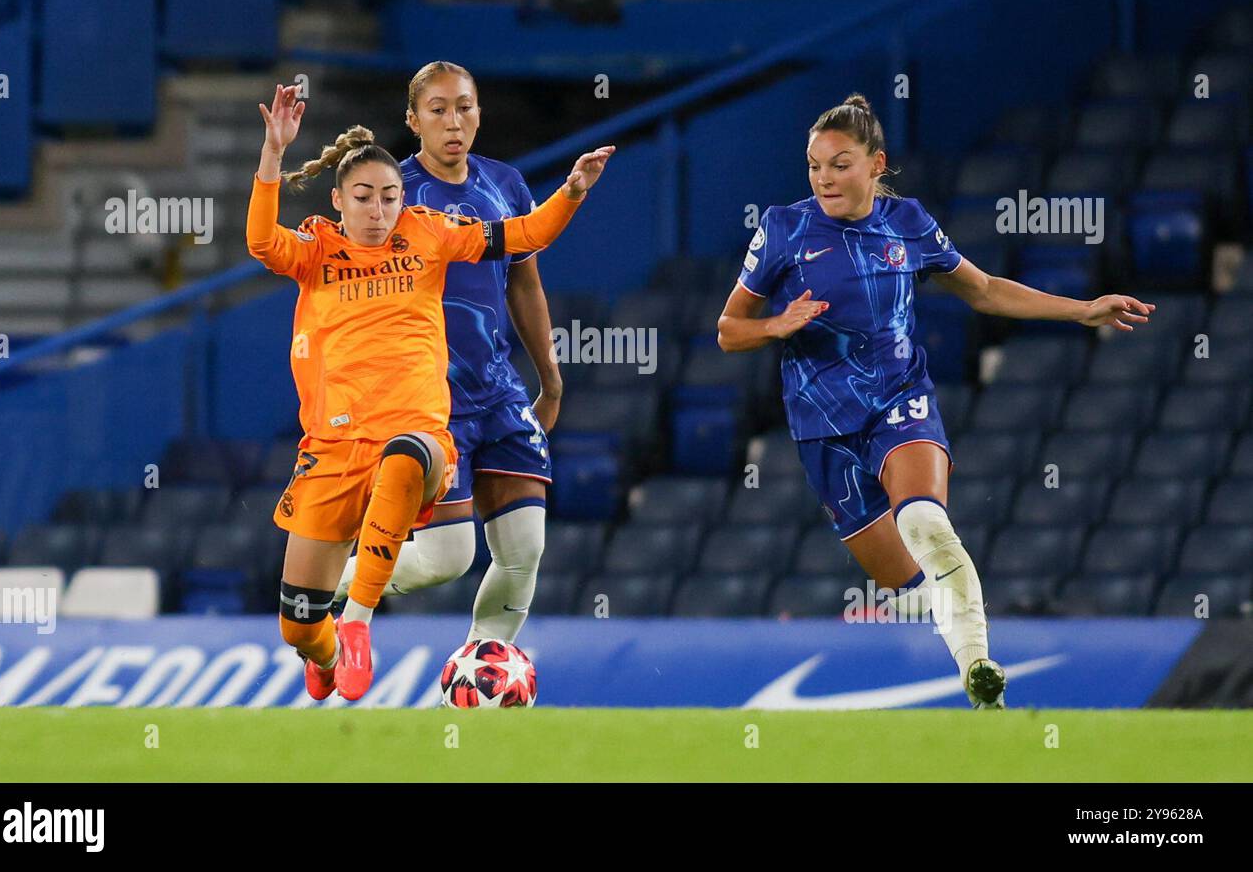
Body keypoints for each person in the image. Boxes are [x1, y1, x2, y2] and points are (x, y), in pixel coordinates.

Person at [717, 93, 1154, 709]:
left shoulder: (908, 223)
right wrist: (775, 326)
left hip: (900, 400)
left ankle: (979, 669)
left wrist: (1081, 310)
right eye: (815, 166)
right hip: (822, 427)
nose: (825, 178)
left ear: (876, 164)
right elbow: (729, 329)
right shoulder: (784, 229)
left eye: (840, 164)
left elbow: (984, 290)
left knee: (923, 519)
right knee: (907, 586)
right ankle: (960, 634)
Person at [249, 82, 613, 701]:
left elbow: (521, 247)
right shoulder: (332, 240)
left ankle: (436, 648)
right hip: (346, 436)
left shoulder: (444, 221)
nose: (380, 208)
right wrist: (272, 157)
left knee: (483, 514)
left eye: (389, 197)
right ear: (339, 201)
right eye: (364, 197)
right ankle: (325, 624)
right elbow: (261, 242)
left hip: (448, 414)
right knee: (332, 610)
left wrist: (571, 193)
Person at [332, 61, 560, 648]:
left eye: (464, 106)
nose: (453, 121)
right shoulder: (394, 197)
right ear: (413, 120)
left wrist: (550, 378)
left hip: (500, 390)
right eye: (437, 109)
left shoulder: (506, 185)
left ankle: (481, 674)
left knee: (524, 549)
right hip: (430, 404)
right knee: (446, 559)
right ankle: (324, 586)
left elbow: (524, 282)